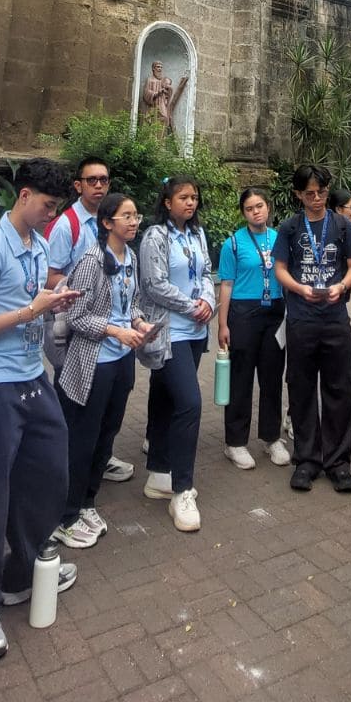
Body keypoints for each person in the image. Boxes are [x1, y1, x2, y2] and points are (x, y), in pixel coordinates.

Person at [0, 156, 77, 661]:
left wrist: (54, 300)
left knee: (49, 474)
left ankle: (20, 571)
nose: (52, 215)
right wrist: (33, 309)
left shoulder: (41, 244)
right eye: (47, 206)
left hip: (33, 375)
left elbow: (34, 298)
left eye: (57, 208)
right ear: (23, 195)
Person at [53, 194, 152, 547]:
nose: (134, 222)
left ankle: (87, 502)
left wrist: (139, 323)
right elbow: (76, 316)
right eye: (127, 216)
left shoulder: (131, 257)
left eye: (136, 215)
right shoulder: (91, 261)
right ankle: (65, 515)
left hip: (122, 361)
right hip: (92, 363)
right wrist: (115, 331)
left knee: (107, 435)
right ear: (107, 222)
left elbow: (132, 302)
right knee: (83, 439)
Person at [273, 164, 351, 495]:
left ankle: (338, 463)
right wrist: (299, 288)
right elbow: (280, 268)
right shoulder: (290, 227)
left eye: (322, 192)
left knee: (341, 388)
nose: (317, 198)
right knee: (301, 388)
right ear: (298, 194)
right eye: (309, 193)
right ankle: (307, 461)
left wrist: (342, 286)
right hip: (301, 319)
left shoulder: (342, 225)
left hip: (335, 318)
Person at [46, 155, 134, 482]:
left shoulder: (115, 228)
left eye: (104, 180)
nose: (99, 186)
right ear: (78, 185)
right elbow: (50, 275)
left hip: (109, 337)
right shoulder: (67, 224)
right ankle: (65, 472)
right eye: (91, 180)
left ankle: (98, 461)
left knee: (105, 410)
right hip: (73, 327)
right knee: (74, 403)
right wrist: (84, 287)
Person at [137, 175, 216, 532]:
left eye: (194, 197)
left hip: (196, 331)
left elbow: (207, 272)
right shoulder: (155, 236)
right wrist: (191, 306)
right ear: (167, 202)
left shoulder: (197, 234)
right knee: (190, 403)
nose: (190, 202)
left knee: (167, 398)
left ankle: (158, 473)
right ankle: (182, 491)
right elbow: (153, 284)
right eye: (183, 197)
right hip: (170, 331)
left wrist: (209, 301)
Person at [217, 187, 289, 469]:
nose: (256, 212)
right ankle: (235, 442)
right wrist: (223, 324)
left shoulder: (280, 238)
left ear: (268, 206)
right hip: (243, 314)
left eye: (259, 206)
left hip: (275, 312)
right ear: (243, 213)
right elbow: (226, 284)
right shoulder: (233, 244)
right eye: (249, 208)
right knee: (241, 378)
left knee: (272, 377)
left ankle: (272, 438)